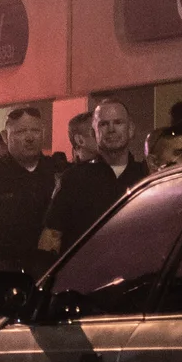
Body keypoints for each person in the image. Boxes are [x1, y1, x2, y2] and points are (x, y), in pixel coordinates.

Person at [0, 104, 67, 270]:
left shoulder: (59, 173)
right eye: (21, 132)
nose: (29, 137)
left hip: (52, 271)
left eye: (35, 131)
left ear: (43, 133)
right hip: (2, 271)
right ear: (5, 136)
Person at [40, 98, 149, 258]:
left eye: (118, 122)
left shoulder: (147, 177)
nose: (111, 129)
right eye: (103, 124)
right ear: (93, 133)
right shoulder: (73, 179)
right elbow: (51, 237)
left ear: (131, 129)